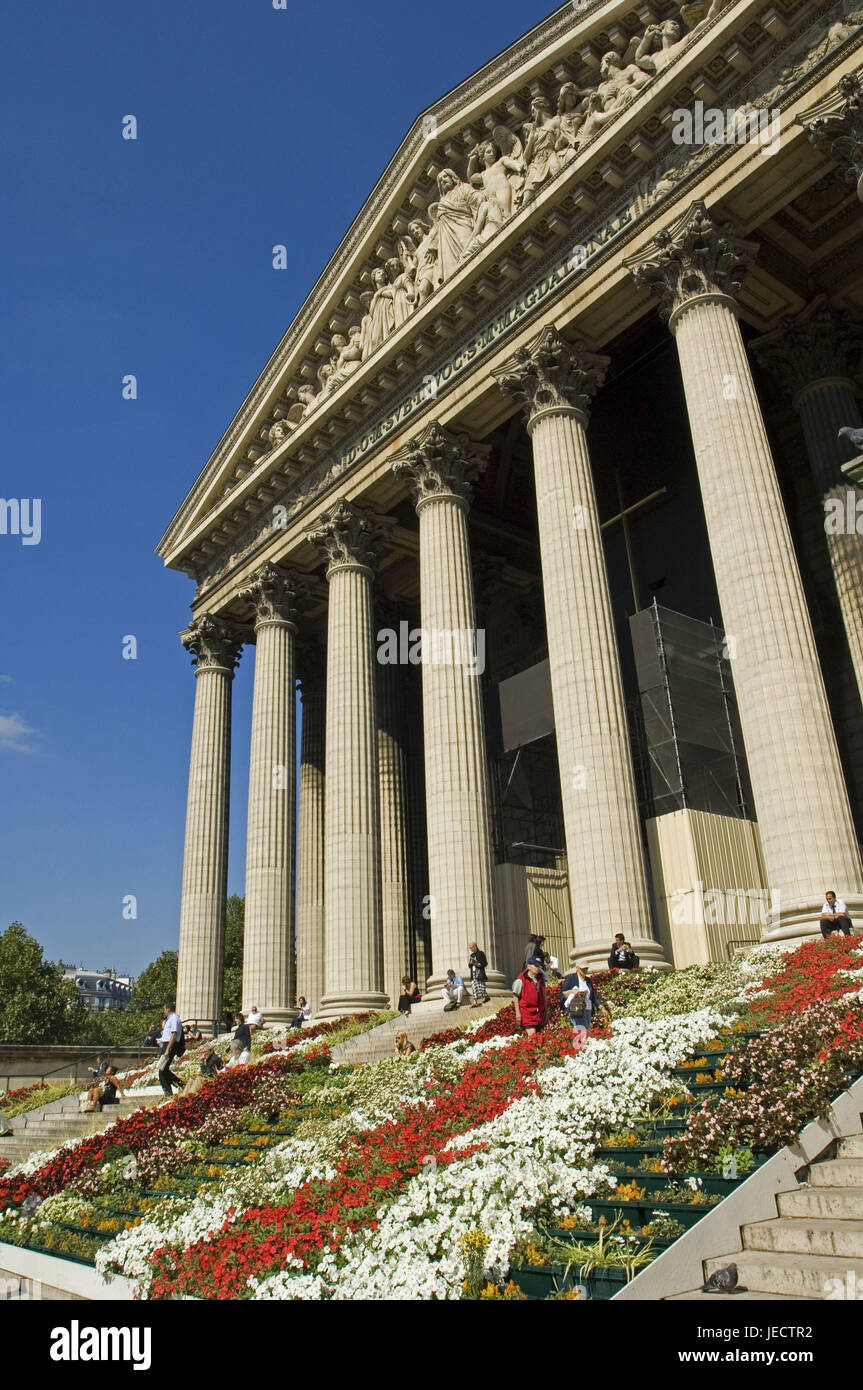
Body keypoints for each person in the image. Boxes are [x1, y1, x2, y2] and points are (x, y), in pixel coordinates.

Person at [560, 964, 604, 1035]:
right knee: (581, 1031)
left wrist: (601, 1008)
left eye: (586, 968)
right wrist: (572, 991)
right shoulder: (571, 978)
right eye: (582, 969)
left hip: (588, 1010)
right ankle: (579, 1044)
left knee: (586, 1030)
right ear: (577, 968)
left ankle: (583, 1044)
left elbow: (594, 996)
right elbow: (563, 993)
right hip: (576, 1009)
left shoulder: (588, 980)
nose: (585, 970)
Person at [158, 1000, 186, 1096]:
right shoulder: (170, 1019)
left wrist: (167, 1049)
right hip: (167, 1044)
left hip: (169, 1045)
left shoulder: (174, 1018)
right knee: (164, 1070)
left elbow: (174, 1034)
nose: (164, 1011)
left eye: (164, 1009)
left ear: (168, 1009)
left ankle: (169, 1092)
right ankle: (179, 1086)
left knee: (161, 1070)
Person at [512, 958, 546, 1035]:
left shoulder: (541, 979)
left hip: (539, 1013)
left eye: (539, 966)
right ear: (528, 967)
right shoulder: (521, 980)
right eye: (536, 965)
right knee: (533, 1037)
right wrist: (517, 1013)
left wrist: (545, 1010)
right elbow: (515, 995)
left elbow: (543, 996)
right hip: (527, 1012)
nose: (538, 968)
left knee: (540, 1037)